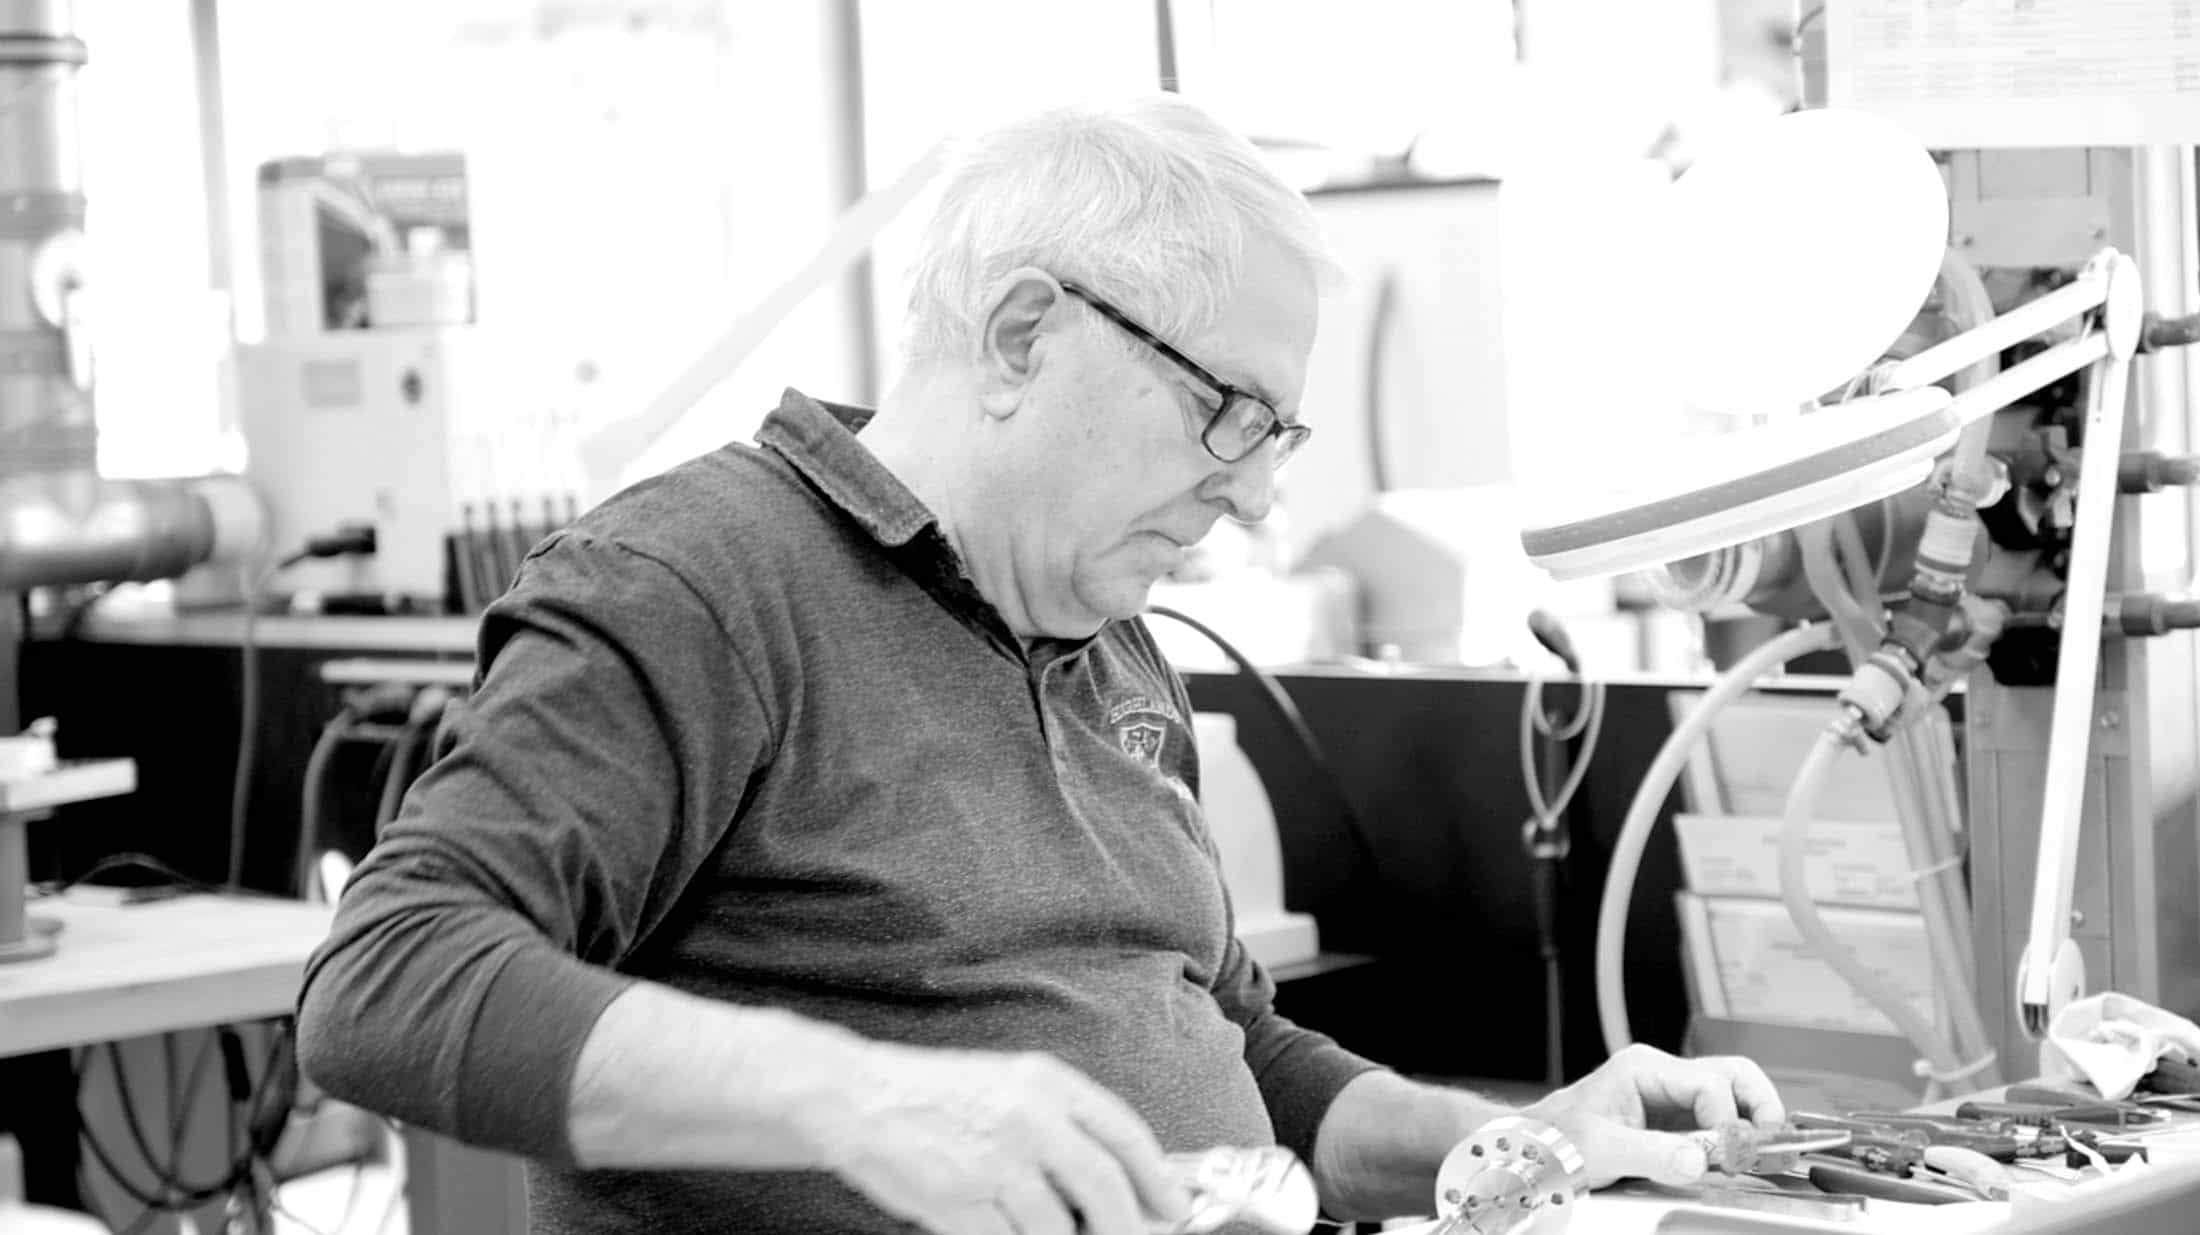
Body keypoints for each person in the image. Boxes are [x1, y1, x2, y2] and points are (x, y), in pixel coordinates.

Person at [295, 93, 1786, 1234]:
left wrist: (1512, 1145)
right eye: (1230, 413)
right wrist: (867, 1103)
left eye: (1280, 435)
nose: (1258, 495)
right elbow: (389, 980)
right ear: (1023, 336)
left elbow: (1234, 1051)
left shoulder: (1111, 637)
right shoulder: (699, 584)